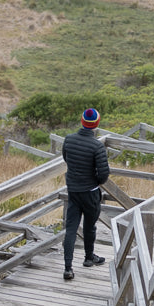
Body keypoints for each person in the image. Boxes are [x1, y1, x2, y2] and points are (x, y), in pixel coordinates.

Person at [61, 108, 110, 281]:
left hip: (73, 190)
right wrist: (94, 181)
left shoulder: (69, 139)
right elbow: (104, 175)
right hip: (90, 192)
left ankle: (68, 268)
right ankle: (89, 258)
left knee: (71, 229)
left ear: (82, 121)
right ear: (96, 124)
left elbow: (66, 158)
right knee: (90, 226)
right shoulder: (97, 146)